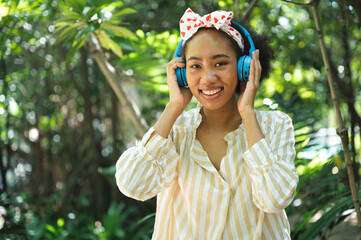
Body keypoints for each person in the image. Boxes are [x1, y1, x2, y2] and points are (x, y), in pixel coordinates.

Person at [115, 8, 299, 240]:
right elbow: (133, 184)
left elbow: (276, 198)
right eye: (195, 66)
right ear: (181, 74)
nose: (208, 77)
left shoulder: (275, 126)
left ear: (246, 68)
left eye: (220, 64)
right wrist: (174, 107)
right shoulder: (175, 129)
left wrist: (247, 113)